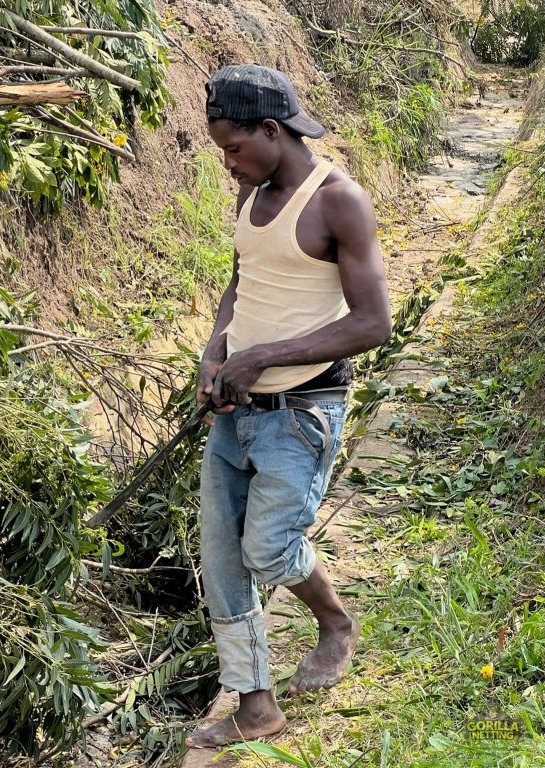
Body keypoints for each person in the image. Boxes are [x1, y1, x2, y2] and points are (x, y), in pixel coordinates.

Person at [186, 65, 392, 748]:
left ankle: (335, 623)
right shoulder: (251, 195)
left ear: (272, 131)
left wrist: (263, 357)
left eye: (235, 149)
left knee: (270, 552)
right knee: (223, 562)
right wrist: (216, 356)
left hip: (302, 412)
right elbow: (241, 285)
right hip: (236, 411)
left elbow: (372, 324)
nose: (228, 164)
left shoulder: (338, 201)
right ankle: (255, 706)